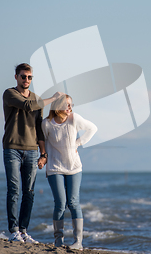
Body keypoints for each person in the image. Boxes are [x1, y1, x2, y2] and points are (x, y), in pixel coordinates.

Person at [2, 63, 63, 243]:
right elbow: (27, 105)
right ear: (16, 77)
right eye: (23, 76)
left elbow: (38, 127)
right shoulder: (9, 94)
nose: (26, 80)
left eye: (29, 77)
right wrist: (53, 98)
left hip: (31, 150)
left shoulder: (36, 99)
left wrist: (44, 154)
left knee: (29, 192)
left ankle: (23, 231)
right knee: (14, 190)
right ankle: (13, 230)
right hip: (12, 148)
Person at [38, 94, 97, 249]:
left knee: (73, 202)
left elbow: (92, 128)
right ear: (58, 107)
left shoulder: (74, 118)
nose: (70, 108)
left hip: (74, 167)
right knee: (60, 203)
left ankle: (78, 242)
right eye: (67, 105)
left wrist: (78, 143)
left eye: (71, 105)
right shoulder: (47, 123)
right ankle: (58, 241)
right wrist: (43, 156)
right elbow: (41, 140)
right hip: (55, 167)